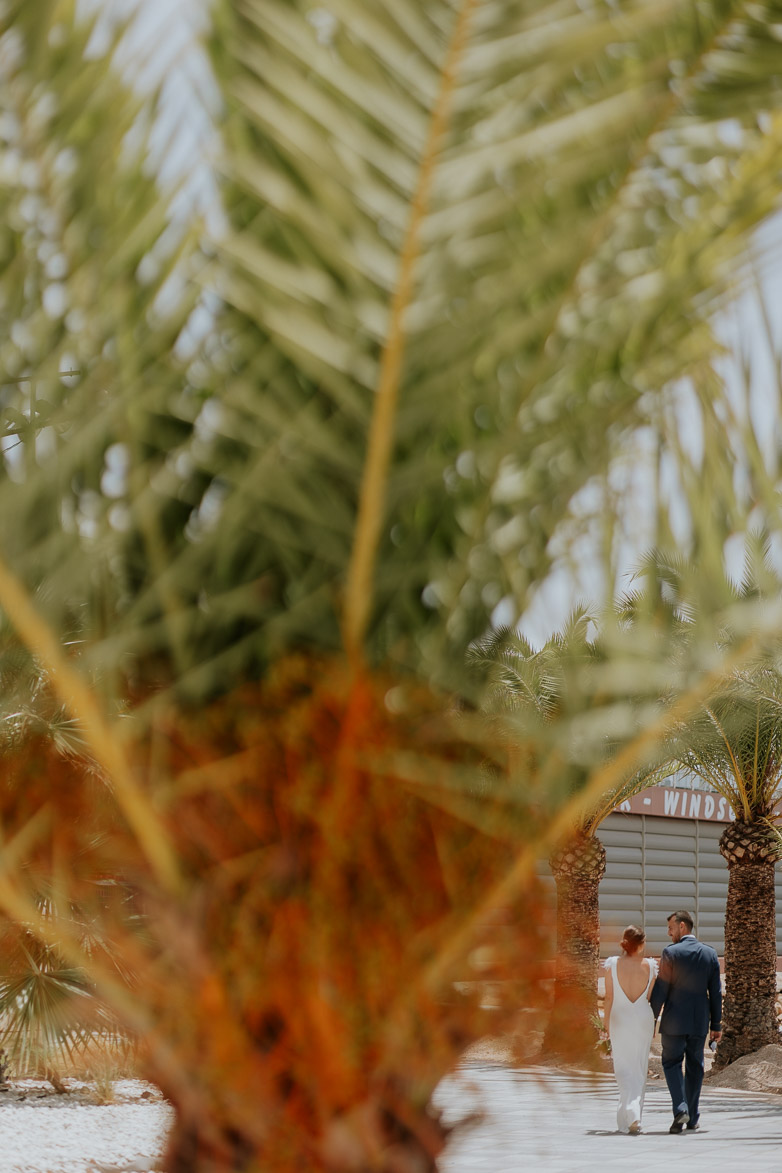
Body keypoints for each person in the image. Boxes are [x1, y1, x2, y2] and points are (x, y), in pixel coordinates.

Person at [649, 910, 722, 1134]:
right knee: (695, 1067)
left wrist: (651, 1017)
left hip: (673, 1021)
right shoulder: (710, 954)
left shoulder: (670, 953)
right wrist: (716, 1025)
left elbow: (661, 988)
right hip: (699, 1022)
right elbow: (716, 992)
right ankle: (692, 1118)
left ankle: (681, 1109)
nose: (668, 933)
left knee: (671, 1063)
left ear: (682, 927)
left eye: (671, 927)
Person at [603, 925, 657, 1134]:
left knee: (624, 1067)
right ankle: (630, 1117)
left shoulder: (612, 965)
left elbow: (609, 997)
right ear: (641, 944)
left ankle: (630, 1115)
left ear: (624, 943)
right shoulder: (651, 966)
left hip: (619, 1018)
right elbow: (649, 996)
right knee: (639, 1067)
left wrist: (606, 1023)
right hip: (643, 1017)